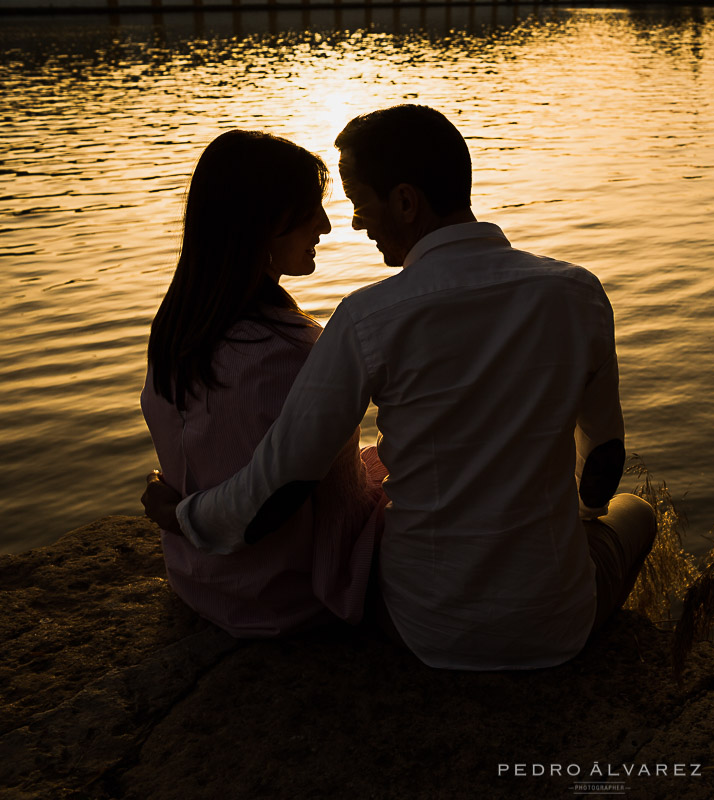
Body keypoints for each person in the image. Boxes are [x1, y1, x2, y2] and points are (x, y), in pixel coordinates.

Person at [146, 105, 656, 670]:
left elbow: (279, 487)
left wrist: (182, 515)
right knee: (635, 512)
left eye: (361, 203)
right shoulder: (578, 293)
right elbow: (605, 453)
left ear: (407, 201)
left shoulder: (367, 318)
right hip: (556, 627)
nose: (356, 223)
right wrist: (581, 519)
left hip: (420, 625)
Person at [141, 130, 386, 638]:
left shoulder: (177, 328)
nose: (324, 224)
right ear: (260, 225)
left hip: (199, 581)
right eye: (308, 210)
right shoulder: (291, 351)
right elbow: (270, 504)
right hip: (292, 593)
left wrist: (174, 513)